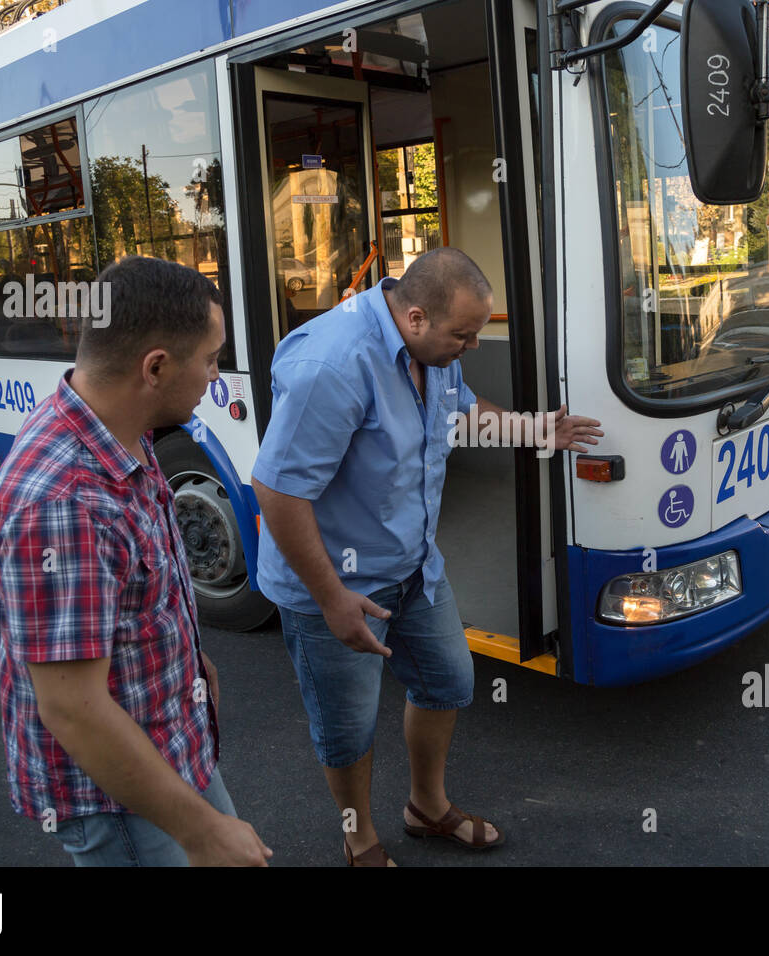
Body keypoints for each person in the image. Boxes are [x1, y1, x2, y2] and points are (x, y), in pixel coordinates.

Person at [252, 247, 602, 866]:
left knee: (447, 683)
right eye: (463, 337)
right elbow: (278, 490)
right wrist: (332, 600)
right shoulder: (333, 364)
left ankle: (426, 808)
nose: (470, 348)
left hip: (414, 568)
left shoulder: (430, 349)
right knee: (347, 729)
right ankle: (359, 838)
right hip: (336, 587)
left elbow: (461, 414)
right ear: (414, 318)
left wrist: (536, 430)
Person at [0, 255, 272, 867]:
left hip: (162, 738)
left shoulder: (115, 429)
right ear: (156, 367)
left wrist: (190, 656)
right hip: (118, 796)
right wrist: (203, 832)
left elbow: (130, 595)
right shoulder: (65, 503)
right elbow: (73, 710)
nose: (215, 377)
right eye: (211, 359)